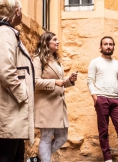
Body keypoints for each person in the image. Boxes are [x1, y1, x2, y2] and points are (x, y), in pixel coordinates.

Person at [0, 0, 35, 162]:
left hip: (10, 104)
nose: (22, 14)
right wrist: (24, 95)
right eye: (21, 10)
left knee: (15, 153)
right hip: (9, 105)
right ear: (16, 12)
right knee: (8, 155)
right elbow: (7, 71)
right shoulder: (5, 33)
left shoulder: (3, 32)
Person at [32, 31, 77, 162]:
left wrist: (69, 81)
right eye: (55, 40)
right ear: (47, 43)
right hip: (46, 105)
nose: (58, 42)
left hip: (59, 105)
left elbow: (60, 82)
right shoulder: (37, 59)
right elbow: (34, 81)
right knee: (46, 137)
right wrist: (54, 82)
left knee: (62, 138)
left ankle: (38, 159)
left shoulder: (56, 60)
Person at [87, 36, 118, 162]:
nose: (108, 46)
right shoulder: (95, 62)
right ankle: (107, 159)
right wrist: (95, 97)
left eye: (110, 44)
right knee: (103, 131)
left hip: (117, 100)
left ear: (113, 46)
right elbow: (90, 81)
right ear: (100, 47)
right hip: (101, 99)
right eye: (105, 44)